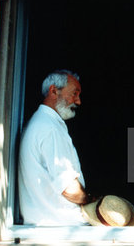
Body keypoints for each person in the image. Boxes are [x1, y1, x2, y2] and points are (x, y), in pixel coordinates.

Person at [18, 69, 92, 226]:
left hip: (49, 225)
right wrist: (92, 200)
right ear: (53, 91)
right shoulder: (49, 128)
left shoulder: (42, 122)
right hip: (60, 228)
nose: (78, 101)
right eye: (74, 93)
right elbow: (69, 189)